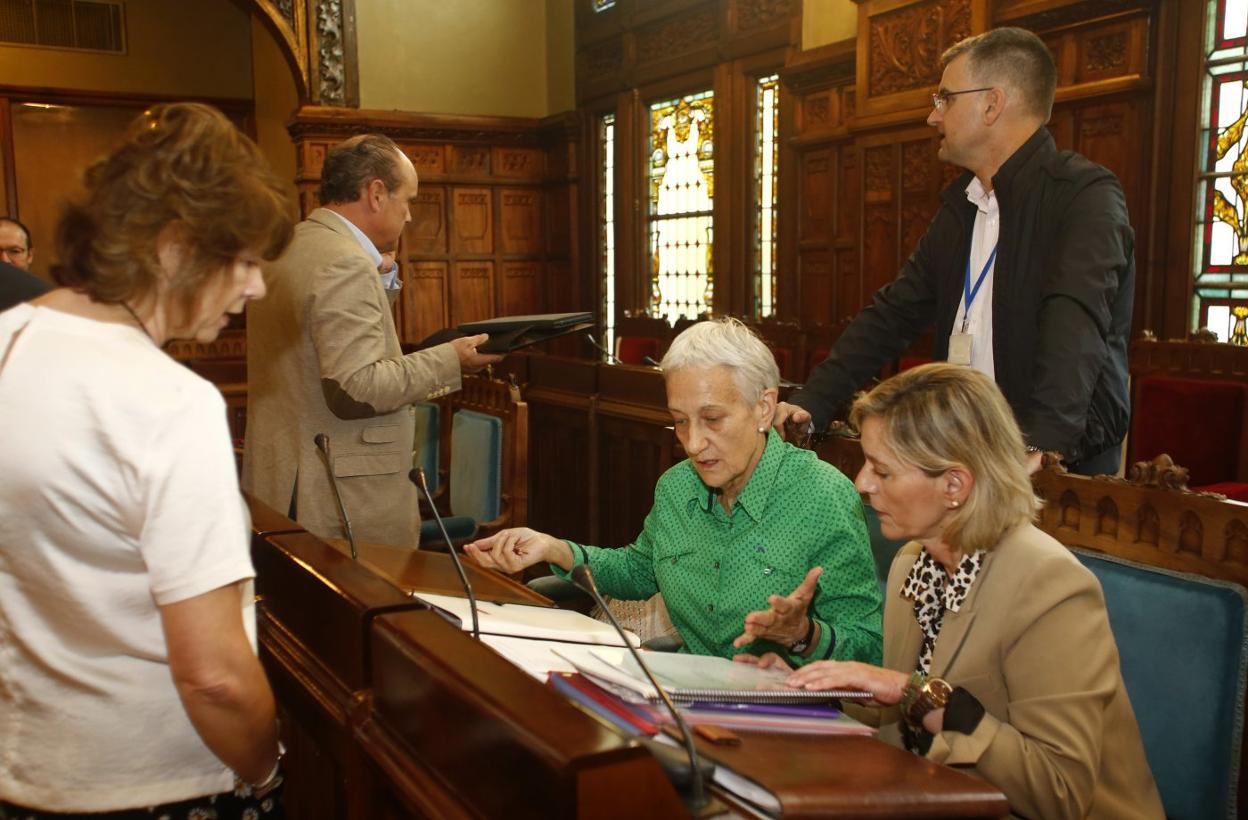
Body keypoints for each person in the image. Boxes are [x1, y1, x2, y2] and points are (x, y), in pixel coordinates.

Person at [0, 104, 293, 817]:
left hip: (25, 769)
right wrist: (266, 769)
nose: (256, 288)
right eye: (246, 261)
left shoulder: (9, 336)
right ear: (173, 248)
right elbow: (216, 676)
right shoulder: (168, 401)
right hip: (154, 783)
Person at [744, 363, 1163, 819]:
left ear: (954, 485)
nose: (862, 483)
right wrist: (802, 689)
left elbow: (1056, 792)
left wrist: (913, 692)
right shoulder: (914, 563)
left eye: (882, 471)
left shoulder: (1050, 586)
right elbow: (904, 728)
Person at [776, 27, 1133, 477]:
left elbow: (1074, 322)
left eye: (945, 99)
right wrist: (814, 400)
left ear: (991, 103)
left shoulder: (1083, 195)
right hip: (963, 454)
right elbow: (894, 313)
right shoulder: (961, 206)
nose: (933, 116)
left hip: (1054, 467)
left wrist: (1043, 446)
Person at [467, 318, 882, 665]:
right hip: (693, 704)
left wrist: (803, 635)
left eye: (712, 419)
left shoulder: (821, 496)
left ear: (764, 407)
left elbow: (869, 649)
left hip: (792, 724)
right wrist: (554, 548)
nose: (693, 443)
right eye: (680, 421)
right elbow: (641, 571)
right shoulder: (677, 485)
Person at [243, 134, 501, 548]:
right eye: (408, 200)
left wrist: (379, 280)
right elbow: (357, 385)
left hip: (282, 479)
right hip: (335, 492)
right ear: (376, 193)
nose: (410, 216)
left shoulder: (287, 247)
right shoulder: (344, 261)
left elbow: (317, 344)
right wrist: (452, 359)